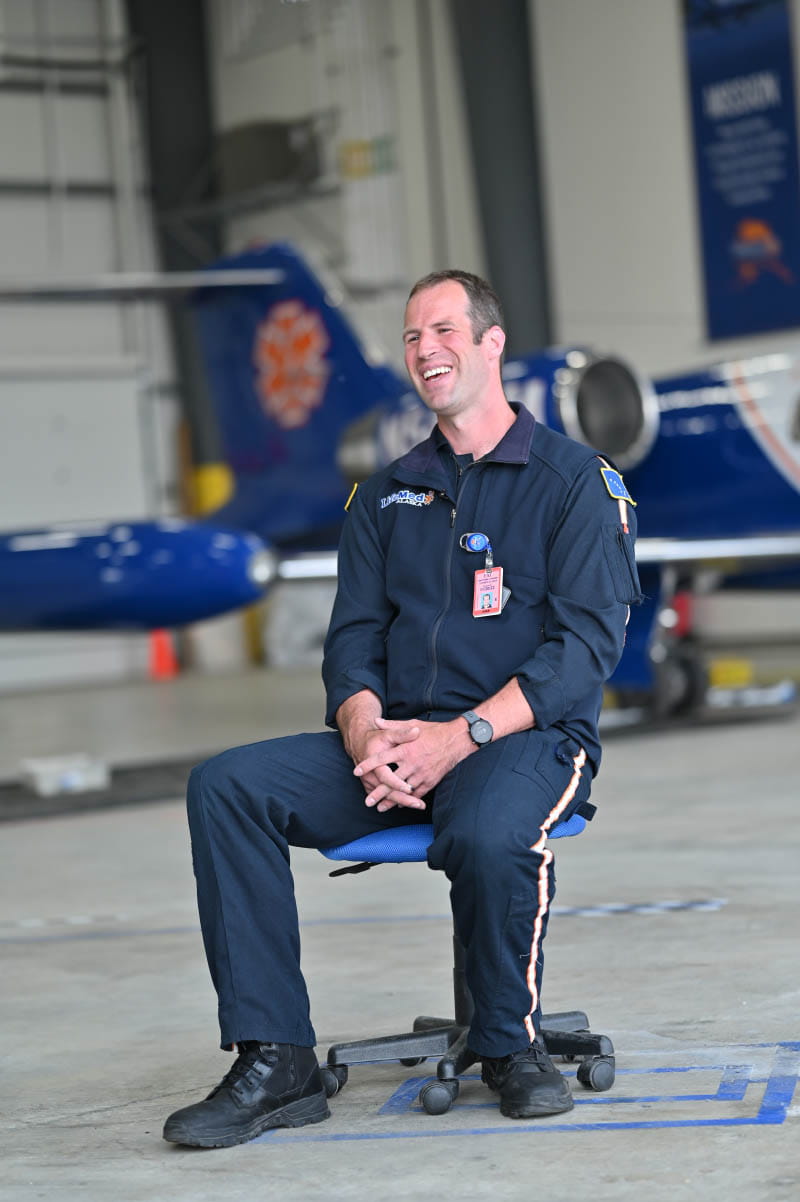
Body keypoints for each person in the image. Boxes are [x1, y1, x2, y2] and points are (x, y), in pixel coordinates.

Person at [163, 269, 642, 1148]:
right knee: (227, 787)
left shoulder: (576, 483)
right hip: (396, 743)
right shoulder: (386, 494)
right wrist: (364, 728)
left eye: (446, 332)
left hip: (521, 739)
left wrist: (458, 737)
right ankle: (276, 1059)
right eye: (415, 336)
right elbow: (351, 639)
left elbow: (581, 653)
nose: (427, 351)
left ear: (493, 344)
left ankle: (509, 1046)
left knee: (490, 830)